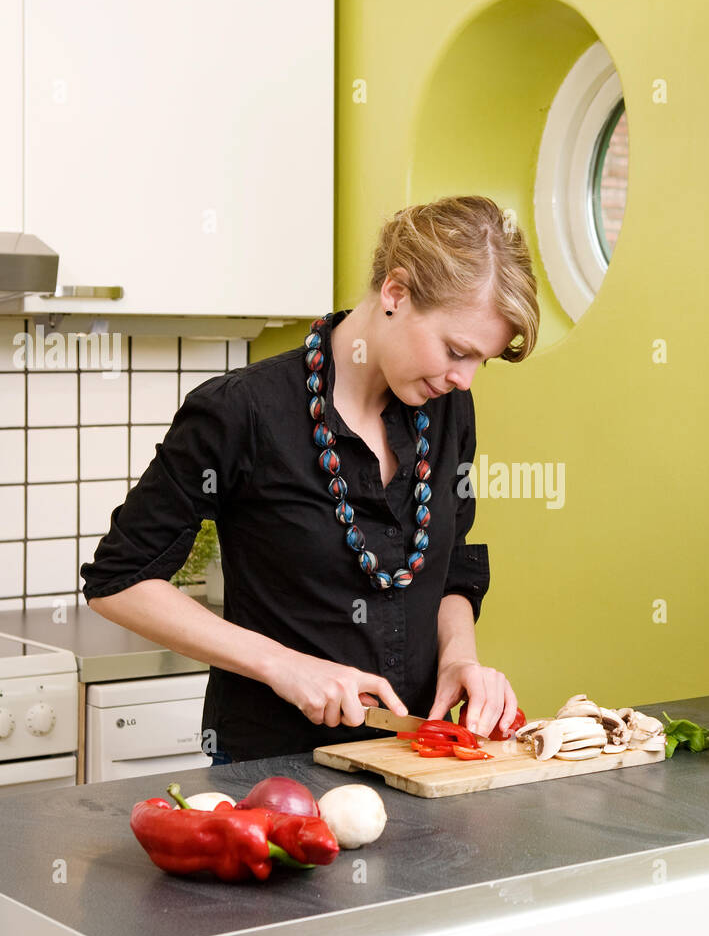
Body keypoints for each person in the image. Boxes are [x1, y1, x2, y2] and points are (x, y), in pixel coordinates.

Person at [81, 196, 540, 764]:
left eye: (481, 362)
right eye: (456, 351)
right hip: (274, 770)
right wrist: (285, 666)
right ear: (395, 294)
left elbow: (449, 568)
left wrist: (459, 661)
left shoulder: (447, 412)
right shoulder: (241, 411)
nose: (464, 379)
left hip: (417, 762)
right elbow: (118, 581)